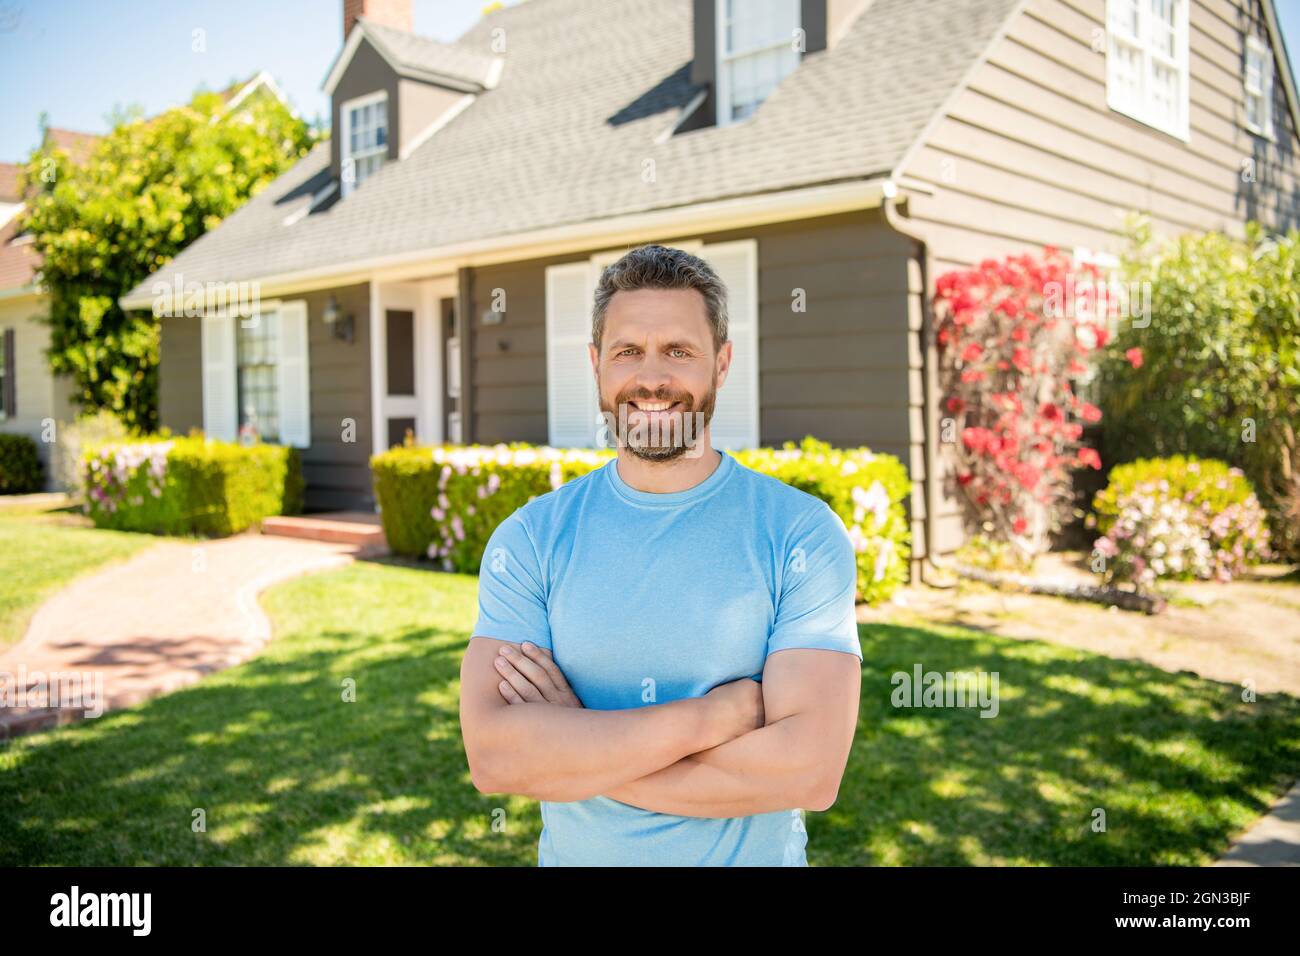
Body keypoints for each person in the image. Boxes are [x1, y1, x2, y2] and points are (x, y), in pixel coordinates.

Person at [459, 243, 862, 866]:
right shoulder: (531, 539)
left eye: (679, 351)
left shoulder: (801, 535)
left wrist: (579, 746)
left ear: (721, 363)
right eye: (627, 352)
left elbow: (809, 773)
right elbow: (494, 757)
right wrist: (712, 718)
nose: (652, 378)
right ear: (596, 364)